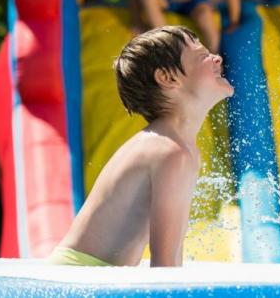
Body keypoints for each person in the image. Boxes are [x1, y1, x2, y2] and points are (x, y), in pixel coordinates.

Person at [47, 26, 234, 267]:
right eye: (202, 56)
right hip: (80, 276)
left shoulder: (173, 147)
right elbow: (165, 266)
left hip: (85, 274)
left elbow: (171, 257)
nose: (217, 58)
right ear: (168, 78)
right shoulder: (169, 151)